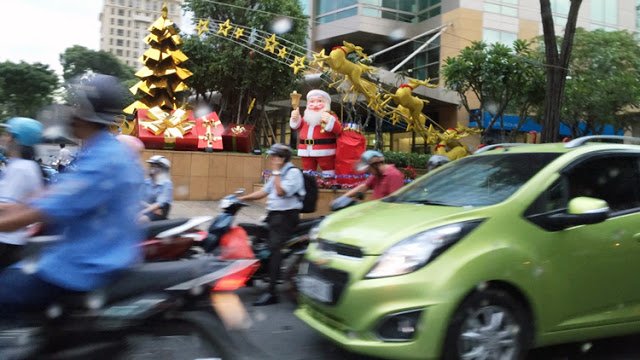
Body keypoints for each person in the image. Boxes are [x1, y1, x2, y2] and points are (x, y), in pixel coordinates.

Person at [0, 73, 144, 315]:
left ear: (86, 111)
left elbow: (41, 210)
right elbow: (40, 199)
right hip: (82, 254)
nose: (70, 111)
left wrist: (12, 216)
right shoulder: (98, 151)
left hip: (83, 267)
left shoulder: (103, 161)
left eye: (75, 104)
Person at [238, 143, 304, 306]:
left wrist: (275, 171)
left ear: (282, 158)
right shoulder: (279, 173)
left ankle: (272, 292)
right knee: (255, 239)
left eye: (274, 156)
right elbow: (264, 192)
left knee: (275, 250)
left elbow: (281, 192)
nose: (272, 159)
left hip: (286, 217)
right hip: (273, 215)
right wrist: (241, 199)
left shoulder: (293, 173)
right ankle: (253, 276)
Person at [0, 117, 45, 269]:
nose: (4, 138)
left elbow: (8, 206)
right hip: (12, 239)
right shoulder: (27, 165)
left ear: (14, 139)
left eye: (7, 134)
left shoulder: (20, 168)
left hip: (6, 240)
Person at [290, 89, 342, 176]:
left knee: (328, 170)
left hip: (325, 151)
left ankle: (329, 184)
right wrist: (295, 118)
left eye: (319, 101)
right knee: (307, 172)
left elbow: (338, 129)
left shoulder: (331, 116)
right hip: (306, 151)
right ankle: (309, 184)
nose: (315, 105)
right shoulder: (306, 117)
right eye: (312, 101)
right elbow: (296, 126)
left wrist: (330, 121)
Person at [337, 150, 405, 203]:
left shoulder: (394, 175)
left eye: (368, 169)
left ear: (376, 165)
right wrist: (341, 199)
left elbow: (395, 201)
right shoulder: (377, 175)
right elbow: (363, 186)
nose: (368, 171)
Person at [138, 155, 173, 222]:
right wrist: (149, 207)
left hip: (161, 210)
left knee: (141, 220)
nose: (151, 168)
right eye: (151, 166)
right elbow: (139, 199)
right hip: (150, 208)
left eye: (155, 166)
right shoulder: (146, 182)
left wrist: (142, 212)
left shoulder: (166, 184)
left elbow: (160, 203)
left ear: (163, 169)